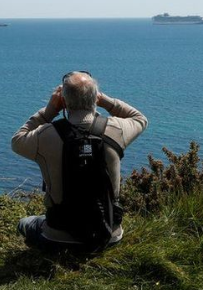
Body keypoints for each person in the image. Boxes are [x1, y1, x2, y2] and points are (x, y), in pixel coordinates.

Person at [12, 71, 148, 251]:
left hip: (58, 236)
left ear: (64, 101)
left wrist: (50, 110)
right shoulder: (116, 129)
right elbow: (140, 118)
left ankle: (39, 255)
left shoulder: (46, 135)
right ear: (95, 98)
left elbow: (17, 140)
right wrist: (105, 100)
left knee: (26, 222)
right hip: (109, 235)